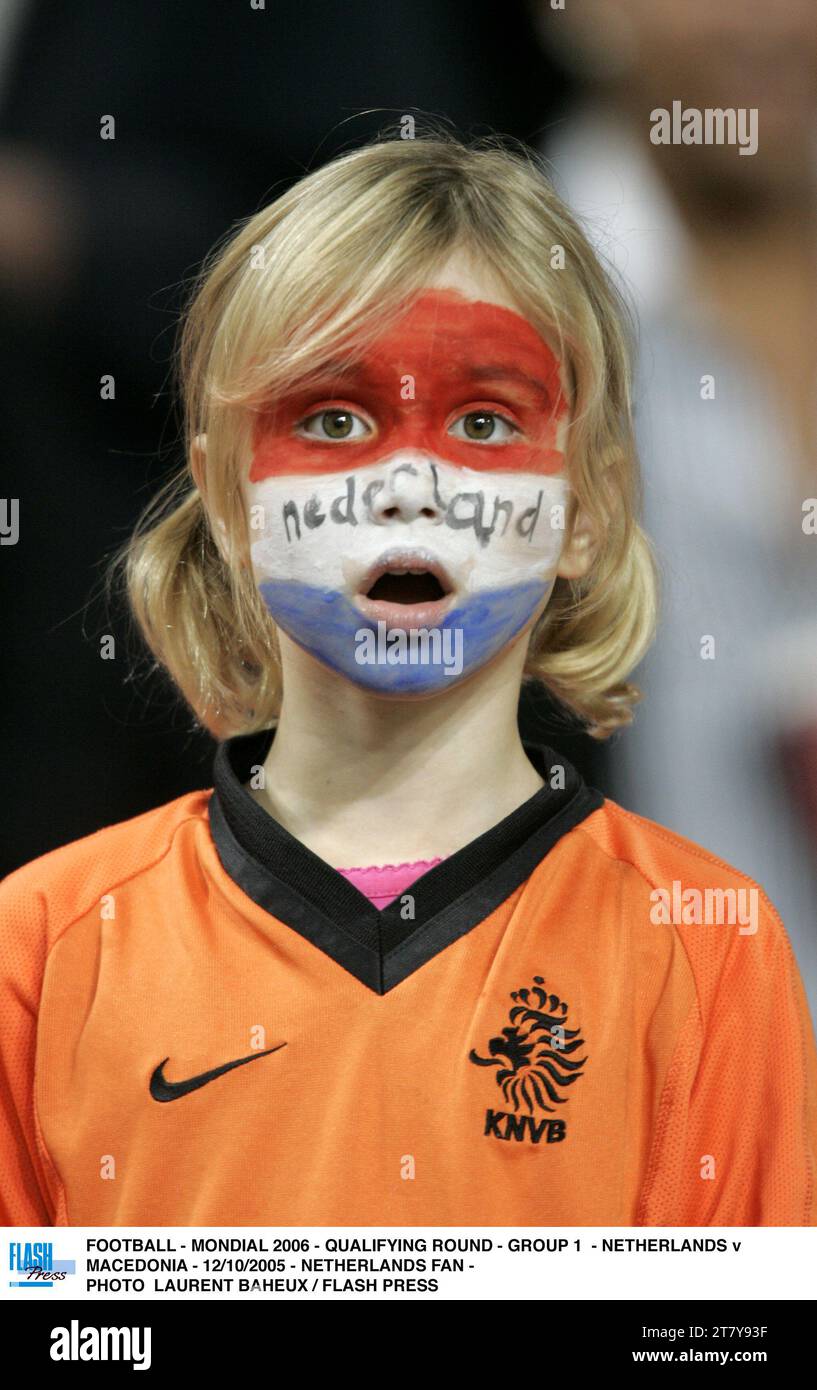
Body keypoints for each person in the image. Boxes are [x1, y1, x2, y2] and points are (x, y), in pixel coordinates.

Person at [1, 132, 815, 1227]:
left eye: (484, 420)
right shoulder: (46, 947)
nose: (408, 483)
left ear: (588, 505)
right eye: (333, 418)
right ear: (226, 489)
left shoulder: (703, 944)